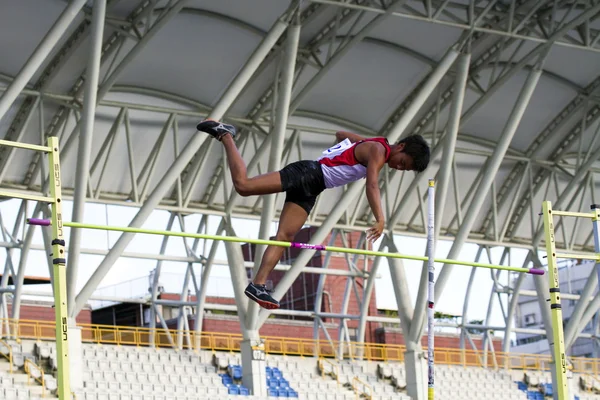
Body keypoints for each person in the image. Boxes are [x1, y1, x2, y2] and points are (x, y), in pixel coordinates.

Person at [196, 119, 430, 310]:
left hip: (314, 186)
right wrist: (380, 218)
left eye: (404, 169)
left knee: (284, 236)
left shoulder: (374, 145)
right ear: (401, 147)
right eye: (403, 163)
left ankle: (257, 285)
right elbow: (372, 186)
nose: (399, 168)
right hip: (308, 173)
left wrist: (353, 147)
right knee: (244, 186)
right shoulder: (379, 150)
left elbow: (340, 134)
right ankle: (226, 135)